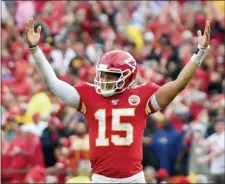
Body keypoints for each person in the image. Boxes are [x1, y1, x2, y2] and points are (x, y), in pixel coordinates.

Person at [25, 18, 211, 183]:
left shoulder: (141, 97)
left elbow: (179, 84)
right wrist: (35, 49)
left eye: (110, 76)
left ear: (128, 77)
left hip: (134, 179)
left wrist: (200, 52)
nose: (104, 80)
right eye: (103, 75)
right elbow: (53, 83)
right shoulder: (89, 95)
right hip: (100, 178)